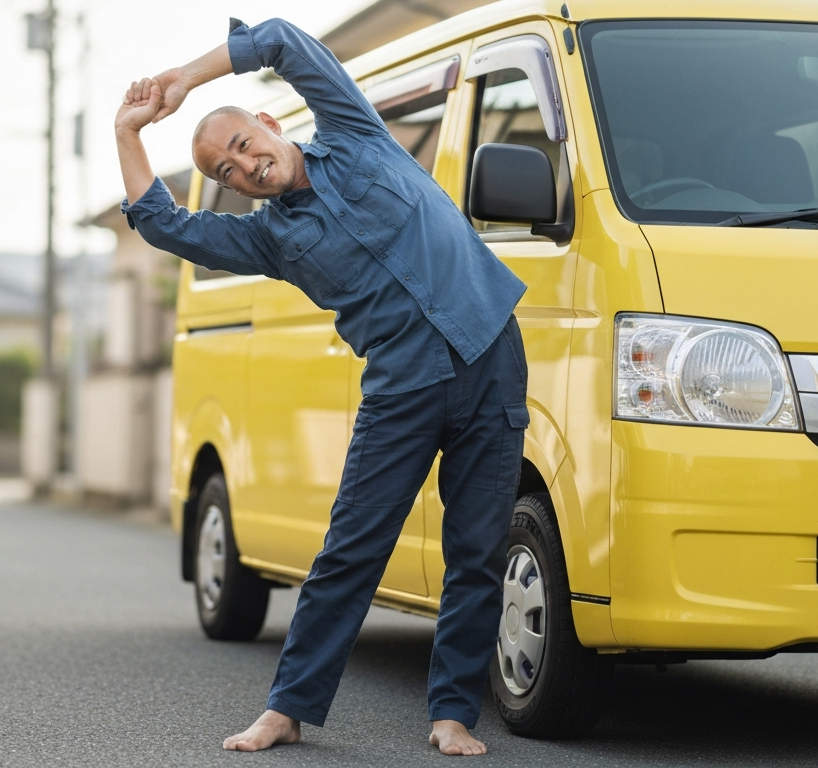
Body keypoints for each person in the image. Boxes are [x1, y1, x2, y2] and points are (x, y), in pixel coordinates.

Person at [114, 17, 529, 757]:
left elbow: (280, 39)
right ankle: (287, 709)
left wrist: (184, 80)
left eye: (243, 145)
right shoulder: (269, 239)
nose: (244, 167)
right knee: (348, 552)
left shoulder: (356, 134)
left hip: (491, 352)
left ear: (270, 124)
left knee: (477, 548)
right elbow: (163, 224)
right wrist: (128, 132)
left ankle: (453, 715)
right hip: (401, 387)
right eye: (226, 173)